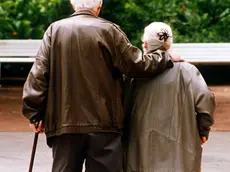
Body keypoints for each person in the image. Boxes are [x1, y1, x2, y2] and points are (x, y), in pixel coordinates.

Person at [21, 1, 182, 172]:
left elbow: (38, 75)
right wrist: (164, 57)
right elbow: (137, 65)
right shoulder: (109, 30)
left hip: (64, 125)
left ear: (72, 4)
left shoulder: (54, 30)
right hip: (104, 125)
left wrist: (34, 113)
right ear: (99, 6)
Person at [123, 22, 216, 172]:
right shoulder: (188, 70)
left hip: (140, 151)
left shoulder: (133, 75)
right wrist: (202, 130)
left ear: (145, 44)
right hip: (181, 154)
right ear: (169, 43)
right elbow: (206, 98)